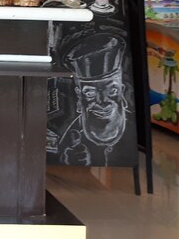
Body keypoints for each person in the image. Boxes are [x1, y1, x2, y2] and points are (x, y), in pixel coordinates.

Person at [55, 31, 129, 166]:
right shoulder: (63, 136)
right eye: (90, 94)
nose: (102, 102)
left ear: (122, 93)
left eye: (112, 91)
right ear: (79, 99)